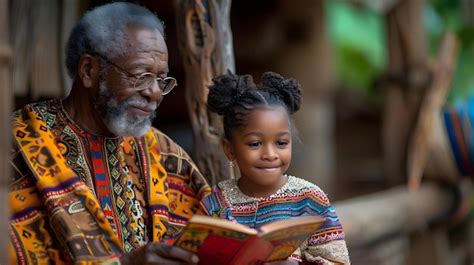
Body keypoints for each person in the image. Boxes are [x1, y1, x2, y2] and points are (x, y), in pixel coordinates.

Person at [9, 2, 210, 264]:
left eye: (161, 80)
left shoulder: (164, 154)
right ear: (89, 70)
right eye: (141, 76)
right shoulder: (15, 145)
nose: (155, 93)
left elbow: (211, 241)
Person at [201, 71, 351, 264]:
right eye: (255, 144)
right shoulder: (215, 204)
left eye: (281, 143)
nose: (270, 154)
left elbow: (338, 261)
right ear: (229, 149)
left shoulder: (310, 200)